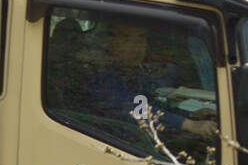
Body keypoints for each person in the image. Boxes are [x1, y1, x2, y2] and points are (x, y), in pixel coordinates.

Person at [79, 21, 218, 140]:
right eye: (126, 38)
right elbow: (134, 108)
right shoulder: (100, 77)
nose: (136, 46)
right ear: (108, 41)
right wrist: (187, 124)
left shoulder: (128, 73)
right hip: (121, 144)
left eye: (142, 38)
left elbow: (148, 102)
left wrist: (190, 115)